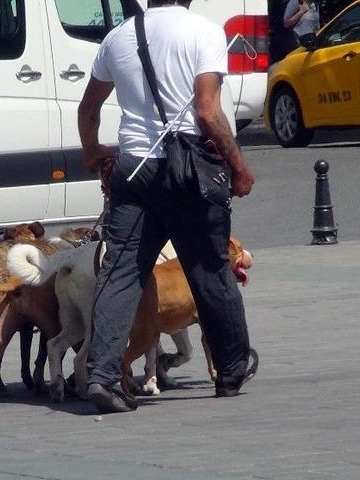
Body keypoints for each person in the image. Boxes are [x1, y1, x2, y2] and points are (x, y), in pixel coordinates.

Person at [78, 0, 256, 414]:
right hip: (188, 171)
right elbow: (207, 111)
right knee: (209, 266)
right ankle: (231, 368)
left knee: (120, 273)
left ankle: (102, 376)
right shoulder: (204, 31)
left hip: (134, 169)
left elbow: (88, 109)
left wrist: (93, 153)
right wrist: (239, 168)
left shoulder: (118, 37)